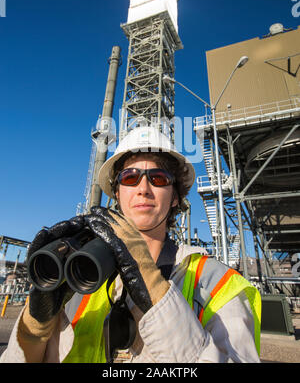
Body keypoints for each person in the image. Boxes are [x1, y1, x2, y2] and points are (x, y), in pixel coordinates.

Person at [1, 126, 261, 363]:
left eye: (158, 178)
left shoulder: (219, 283)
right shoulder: (77, 273)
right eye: (130, 178)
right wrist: (34, 330)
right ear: (117, 193)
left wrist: (156, 293)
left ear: (175, 197)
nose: (143, 188)